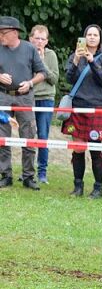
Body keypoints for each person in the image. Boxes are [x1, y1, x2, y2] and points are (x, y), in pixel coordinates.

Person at [65, 24, 102, 199]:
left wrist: (92, 62)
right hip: (78, 107)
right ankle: (78, 187)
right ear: (84, 38)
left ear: (100, 39)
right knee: (78, 148)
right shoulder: (74, 57)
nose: (92, 37)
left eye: (95, 35)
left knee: (94, 149)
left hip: (97, 108)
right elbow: (69, 79)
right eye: (89, 34)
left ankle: (98, 188)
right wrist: (77, 61)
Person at [0, 16, 45, 189]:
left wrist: (30, 83)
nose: (0, 36)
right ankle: (6, 175)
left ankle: (28, 177)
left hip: (24, 98)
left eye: (3, 33)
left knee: (28, 136)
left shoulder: (29, 49)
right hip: (3, 96)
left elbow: (42, 73)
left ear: (14, 33)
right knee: (2, 137)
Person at [29, 25, 59, 185]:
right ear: (30, 39)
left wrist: (41, 63)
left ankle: (42, 173)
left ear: (46, 41)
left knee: (42, 136)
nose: (39, 42)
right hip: (29, 99)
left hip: (46, 98)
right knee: (27, 136)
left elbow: (54, 79)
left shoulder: (51, 55)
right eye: (37, 38)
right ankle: (28, 172)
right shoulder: (25, 52)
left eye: (42, 39)